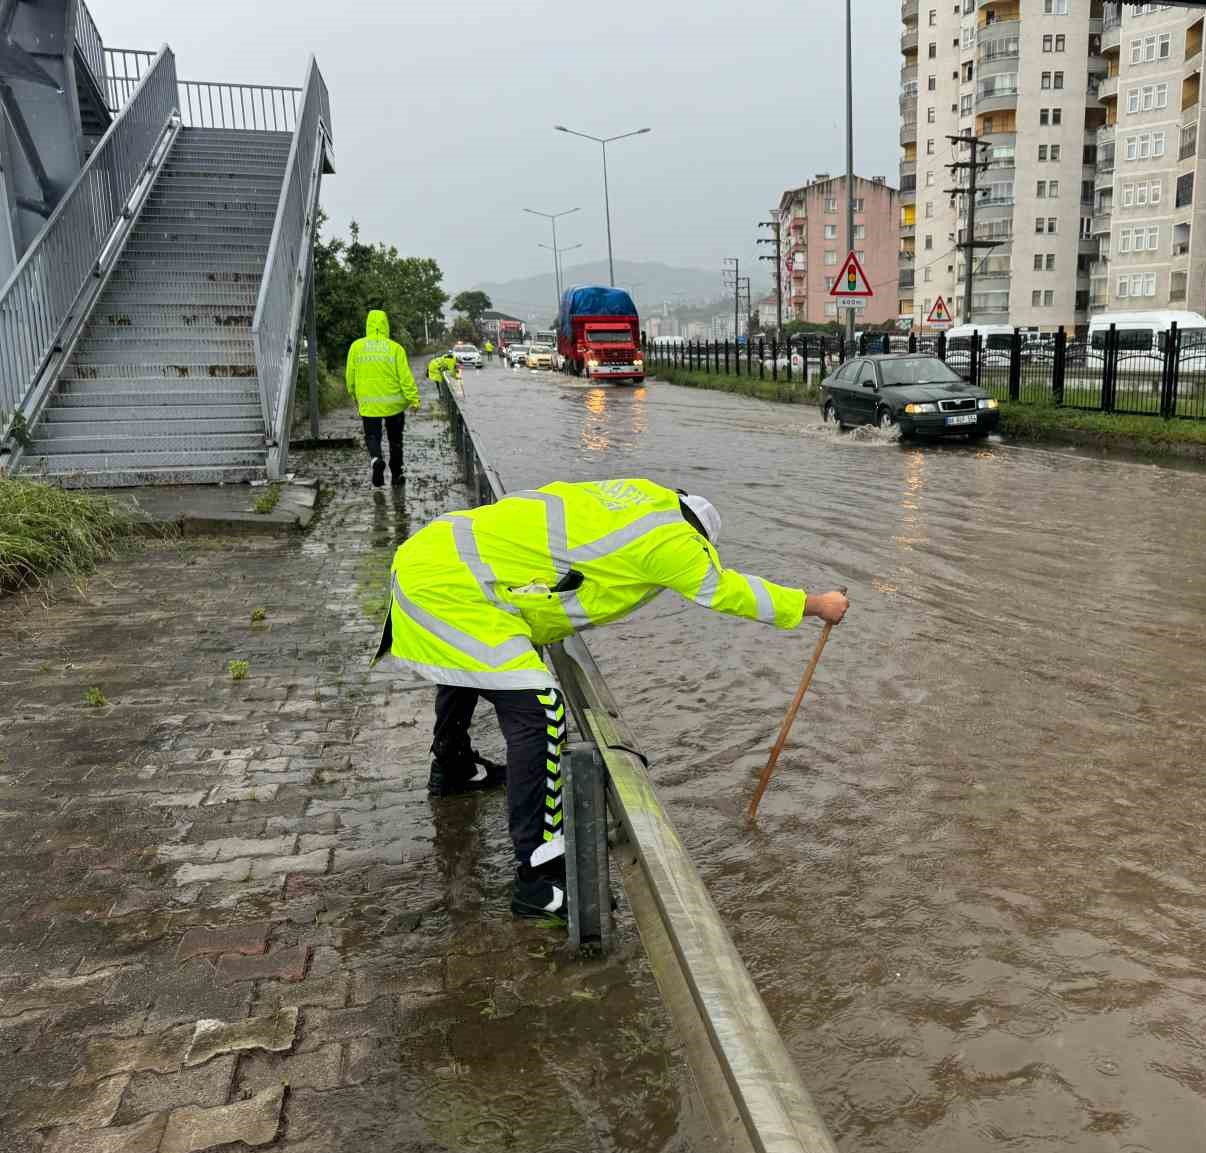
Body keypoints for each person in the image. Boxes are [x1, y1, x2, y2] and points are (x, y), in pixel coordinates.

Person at [375, 478, 849, 918]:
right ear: (702, 538)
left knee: (475, 662)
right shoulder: (675, 543)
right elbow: (724, 590)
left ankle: (454, 767)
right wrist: (813, 604)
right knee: (543, 708)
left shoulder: (640, 496)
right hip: (453, 588)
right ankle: (538, 880)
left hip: (436, 557)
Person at [346, 309, 419, 488]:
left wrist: (353, 393)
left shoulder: (357, 346)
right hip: (394, 404)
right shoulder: (395, 348)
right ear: (386, 325)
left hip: (369, 404)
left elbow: (350, 374)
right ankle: (396, 474)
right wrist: (414, 399)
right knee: (395, 440)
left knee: (372, 437)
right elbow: (405, 377)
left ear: (368, 325)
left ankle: (377, 460)